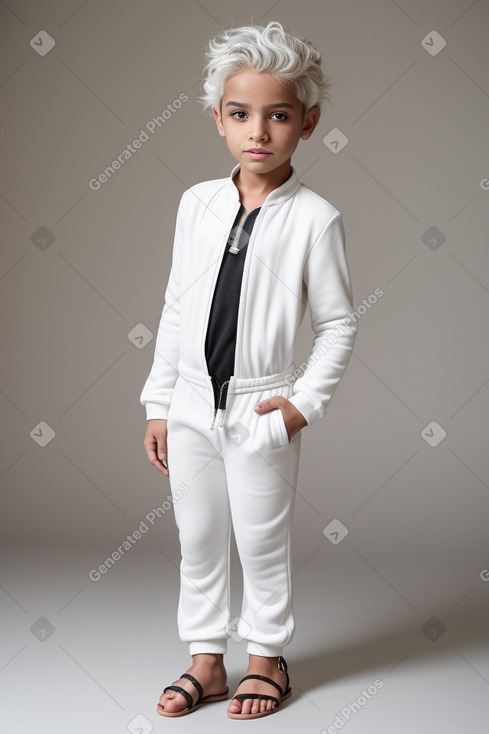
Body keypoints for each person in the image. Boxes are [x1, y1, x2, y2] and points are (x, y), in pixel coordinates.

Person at [141, 20, 357, 720]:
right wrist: (157, 402)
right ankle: (206, 662)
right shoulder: (195, 204)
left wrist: (301, 406)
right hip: (191, 405)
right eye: (240, 115)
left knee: (261, 542)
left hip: (262, 409)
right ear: (218, 120)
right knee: (197, 537)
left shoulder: (314, 219)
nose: (257, 131)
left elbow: (338, 323)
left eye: (278, 115)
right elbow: (175, 306)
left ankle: (267, 659)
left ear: (307, 122)